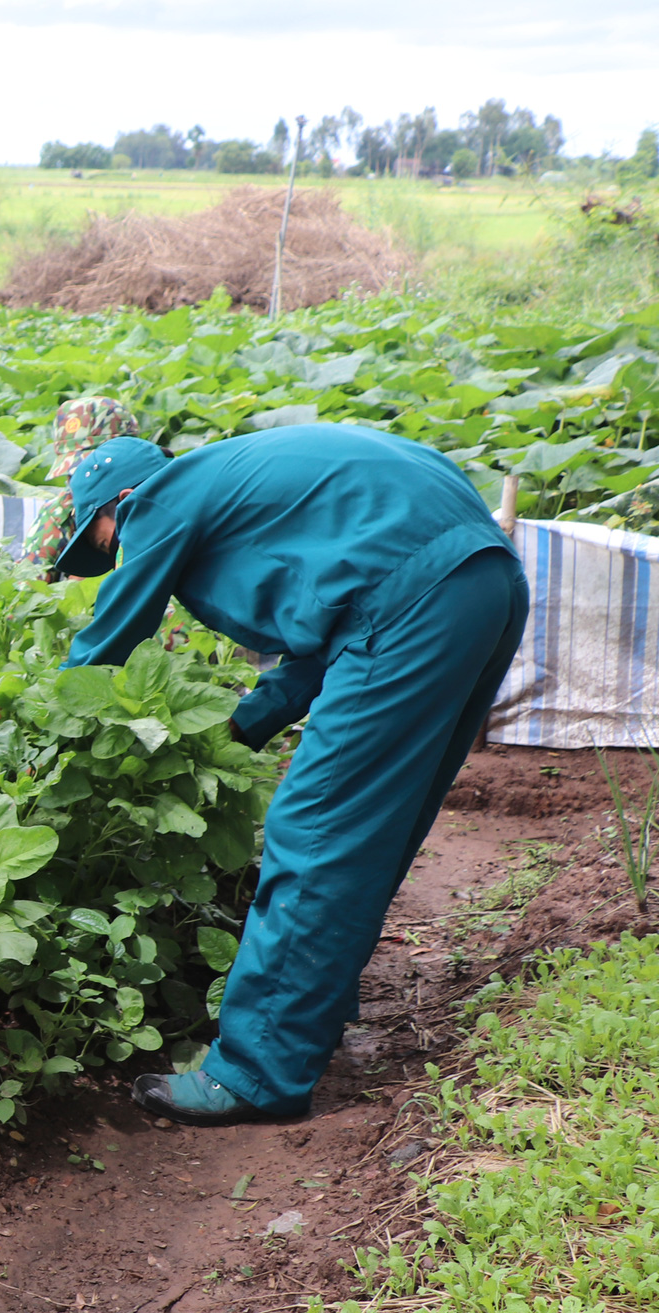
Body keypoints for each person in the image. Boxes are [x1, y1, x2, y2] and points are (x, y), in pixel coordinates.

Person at [50, 423, 528, 1127]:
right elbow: (338, 617)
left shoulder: (160, 499)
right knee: (376, 823)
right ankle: (313, 1011)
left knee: (315, 826)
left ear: (120, 500)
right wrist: (246, 721)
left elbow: (115, 631)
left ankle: (257, 1070)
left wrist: (48, 716)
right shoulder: (241, 478)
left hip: (413, 602)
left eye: (105, 540)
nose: (120, 552)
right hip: (483, 578)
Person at [22, 396, 142, 576]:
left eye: (93, 468)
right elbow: (28, 587)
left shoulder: (168, 497)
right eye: (74, 472)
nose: (80, 481)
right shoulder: (61, 511)